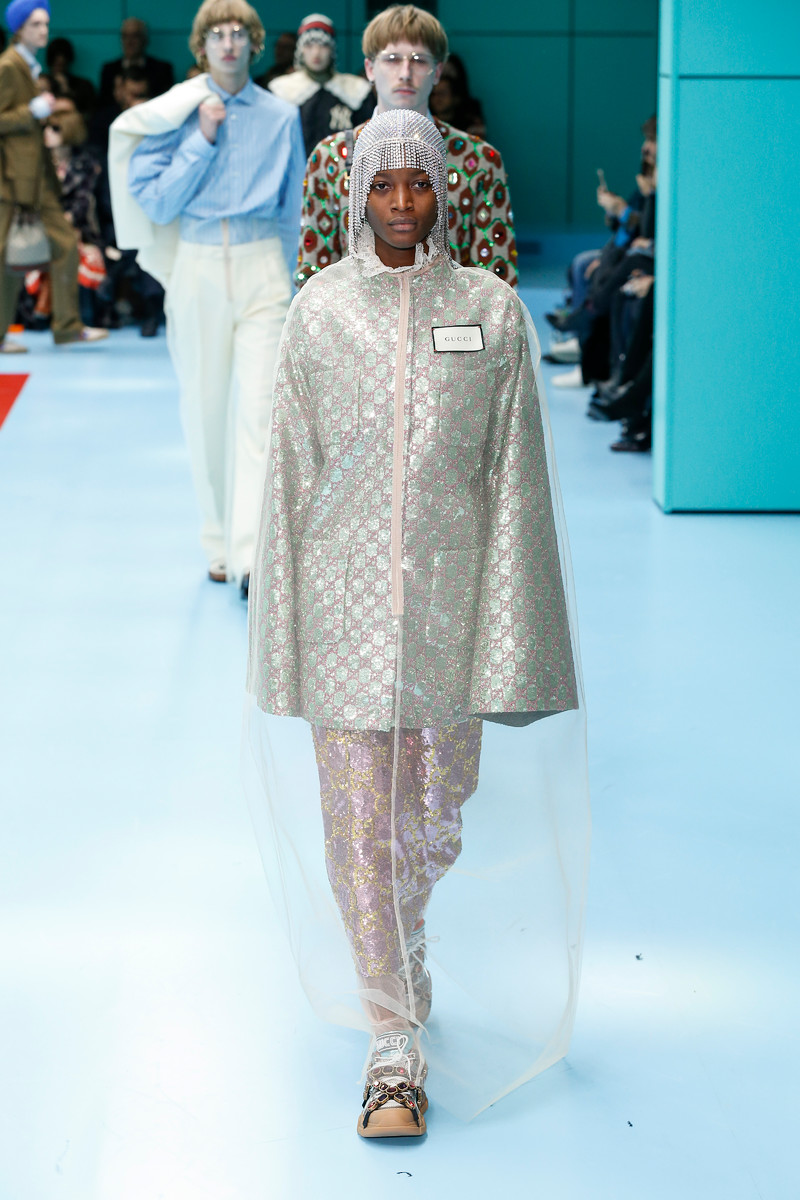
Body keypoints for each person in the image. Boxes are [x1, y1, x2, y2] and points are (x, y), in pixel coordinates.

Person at [245, 109, 589, 1137]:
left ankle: (400, 941)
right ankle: (392, 1044)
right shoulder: (320, 312)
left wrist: (510, 632)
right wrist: (283, 628)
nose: (403, 204)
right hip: (343, 610)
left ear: (448, 189)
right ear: (355, 194)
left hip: (451, 607)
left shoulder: (491, 311)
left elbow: (516, 484)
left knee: (433, 819)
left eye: (420, 183)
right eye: (383, 186)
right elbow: (288, 473)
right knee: (361, 831)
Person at [110, 0, 305, 591]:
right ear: (201, 46)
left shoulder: (281, 115)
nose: (228, 42)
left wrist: (293, 280)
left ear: (254, 43)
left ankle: (251, 556)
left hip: (262, 266)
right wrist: (201, 138)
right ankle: (217, 540)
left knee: (261, 412)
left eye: (239, 32)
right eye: (217, 34)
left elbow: (292, 208)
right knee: (205, 408)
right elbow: (156, 201)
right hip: (196, 267)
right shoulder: (175, 112)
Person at [295, 4, 517, 289]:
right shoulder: (330, 157)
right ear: (369, 68)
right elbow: (313, 279)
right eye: (391, 59)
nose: (405, 72)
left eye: (419, 60)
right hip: (351, 317)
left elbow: (497, 287)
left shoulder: (479, 159)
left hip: (450, 315)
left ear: (437, 71)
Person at [0, 0, 108, 352]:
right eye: (35, 24)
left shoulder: (27, 66)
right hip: (12, 180)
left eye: (45, 23)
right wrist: (31, 111)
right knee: (6, 258)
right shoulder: (9, 66)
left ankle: (67, 327)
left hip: (35, 178)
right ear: (19, 28)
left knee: (64, 245)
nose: (43, 30)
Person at [268, 13, 373, 156]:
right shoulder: (282, 90)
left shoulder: (356, 90)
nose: (316, 53)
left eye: (323, 45)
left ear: (333, 49)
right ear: (300, 50)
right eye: (309, 45)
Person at [98, 18, 174, 108]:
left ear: (145, 39)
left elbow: (167, 104)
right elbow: (103, 105)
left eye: (135, 36)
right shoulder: (109, 70)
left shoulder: (162, 69)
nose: (129, 41)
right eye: (125, 36)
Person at [428, 51, 485, 139]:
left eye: (442, 93)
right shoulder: (425, 114)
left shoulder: (471, 114)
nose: (437, 98)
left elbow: (477, 143)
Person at [45, 36, 96, 115]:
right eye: (56, 64)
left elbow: (88, 114)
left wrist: (65, 89)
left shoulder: (84, 86)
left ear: (68, 61)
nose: (58, 69)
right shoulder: (42, 82)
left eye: (62, 65)